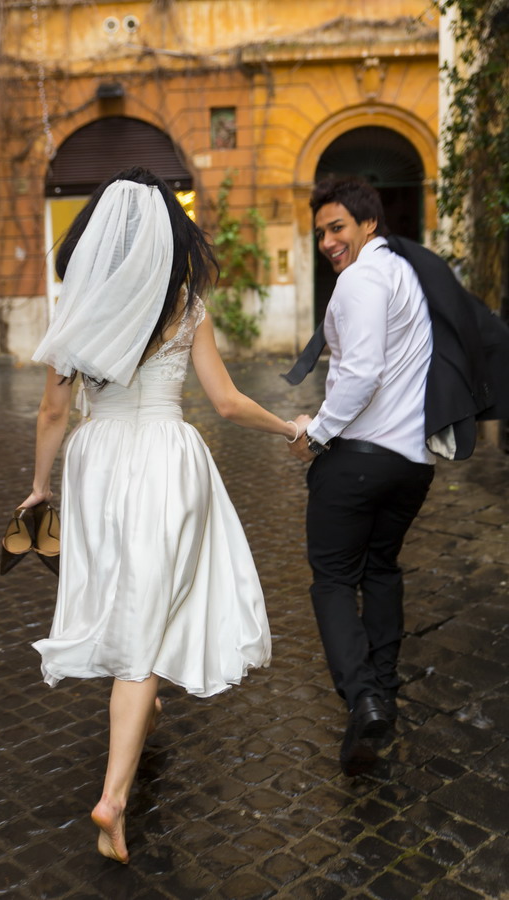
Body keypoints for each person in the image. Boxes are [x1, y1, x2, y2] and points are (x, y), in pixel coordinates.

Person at [12, 167, 300, 862]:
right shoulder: (186, 303)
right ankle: (113, 798)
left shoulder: (81, 304)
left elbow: (54, 410)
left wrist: (39, 486)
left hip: (98, 462)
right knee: (152, 602)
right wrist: (292, 429)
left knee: (130, 589)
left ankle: (141, 700)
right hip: (168, 460)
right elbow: (228, 403)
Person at [287, 176, 436, 777]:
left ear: (368, 225)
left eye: (337, 227)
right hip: (412, 465)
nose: (327, 241)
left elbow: (363, 371)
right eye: (320, 231)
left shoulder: (361, 279)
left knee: (330, 580)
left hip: (358, 460)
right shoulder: (407, 277)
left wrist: (317, 432)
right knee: (380, 571)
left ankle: (363, 694)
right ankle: (381, 701)